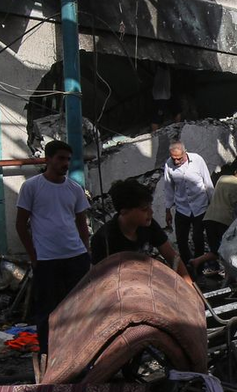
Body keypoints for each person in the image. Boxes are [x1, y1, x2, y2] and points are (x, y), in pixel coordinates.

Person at [15, 140, 91, 355]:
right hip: (47, 259)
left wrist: (86, 252)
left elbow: (81, 223)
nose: (65, 163)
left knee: (78, 309)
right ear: (47, 159)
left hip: (75, 257)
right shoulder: (31, 187)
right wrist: (33, 256)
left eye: (68, 159)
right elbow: (21, 225)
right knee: (47, 311)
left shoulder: (75, 189)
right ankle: (50, 355)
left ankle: (78, 353)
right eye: (60, 158)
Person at [91, 179, 191, 280]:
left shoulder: (149, 225)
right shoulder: (103, 239)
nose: (151, 212)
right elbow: (98, 282)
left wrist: (189, 288)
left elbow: (173, 257)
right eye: (144, 209)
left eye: (150, 207)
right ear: (124, 211)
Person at [161, 141, 213, 267]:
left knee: (198, 238)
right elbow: (168, 188)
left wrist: (213, 204)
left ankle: (199, 267)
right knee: (181, 240)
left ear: (185, 153)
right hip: (182, 208)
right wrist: (168, 210)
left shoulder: (197, 160)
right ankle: (187, 268)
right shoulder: (169, 164)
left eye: (179, 158)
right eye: (174, 159)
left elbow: (208, 182)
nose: (177, 162)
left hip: (200, 206)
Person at [201, 160, 237, 276]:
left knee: (215, 250)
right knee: (229, 250)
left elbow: (225, 196)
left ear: (236, 171)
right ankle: (230, 276)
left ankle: (198, 264)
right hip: (224, 220)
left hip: (209, 217)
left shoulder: (222, 178)